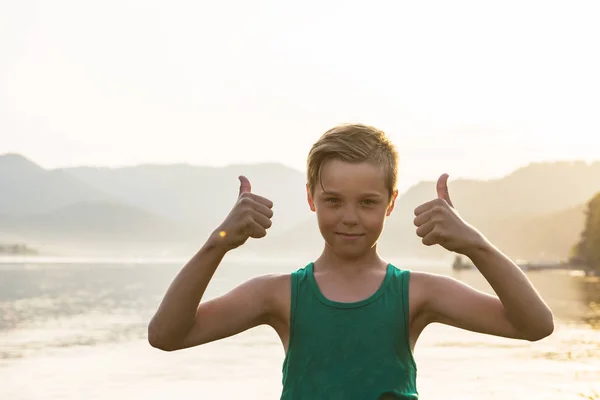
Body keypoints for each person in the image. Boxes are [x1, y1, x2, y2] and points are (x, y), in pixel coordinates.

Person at [147, 124, 554, 399]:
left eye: (368, 202)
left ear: (391, 203)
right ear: (311, 198)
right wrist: (218, 243)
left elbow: (535, 325)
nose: (349, 217)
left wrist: (474, 245)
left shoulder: (415, 293)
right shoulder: (279, 295)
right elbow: (166, 335)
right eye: (333, 200)